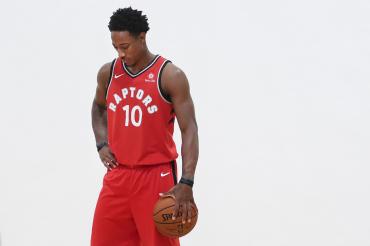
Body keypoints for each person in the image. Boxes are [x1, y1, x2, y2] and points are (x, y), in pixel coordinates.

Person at [90, 7, 199, 246]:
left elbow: (189, 128)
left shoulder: (169, 75)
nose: (120, 53)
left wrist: (186, 182)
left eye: (125, 46)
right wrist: (101, 144)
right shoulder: (108, 73)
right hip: (118, 175)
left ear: (142, 37)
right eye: (115, 47)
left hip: (155, 175)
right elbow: (98, 108)